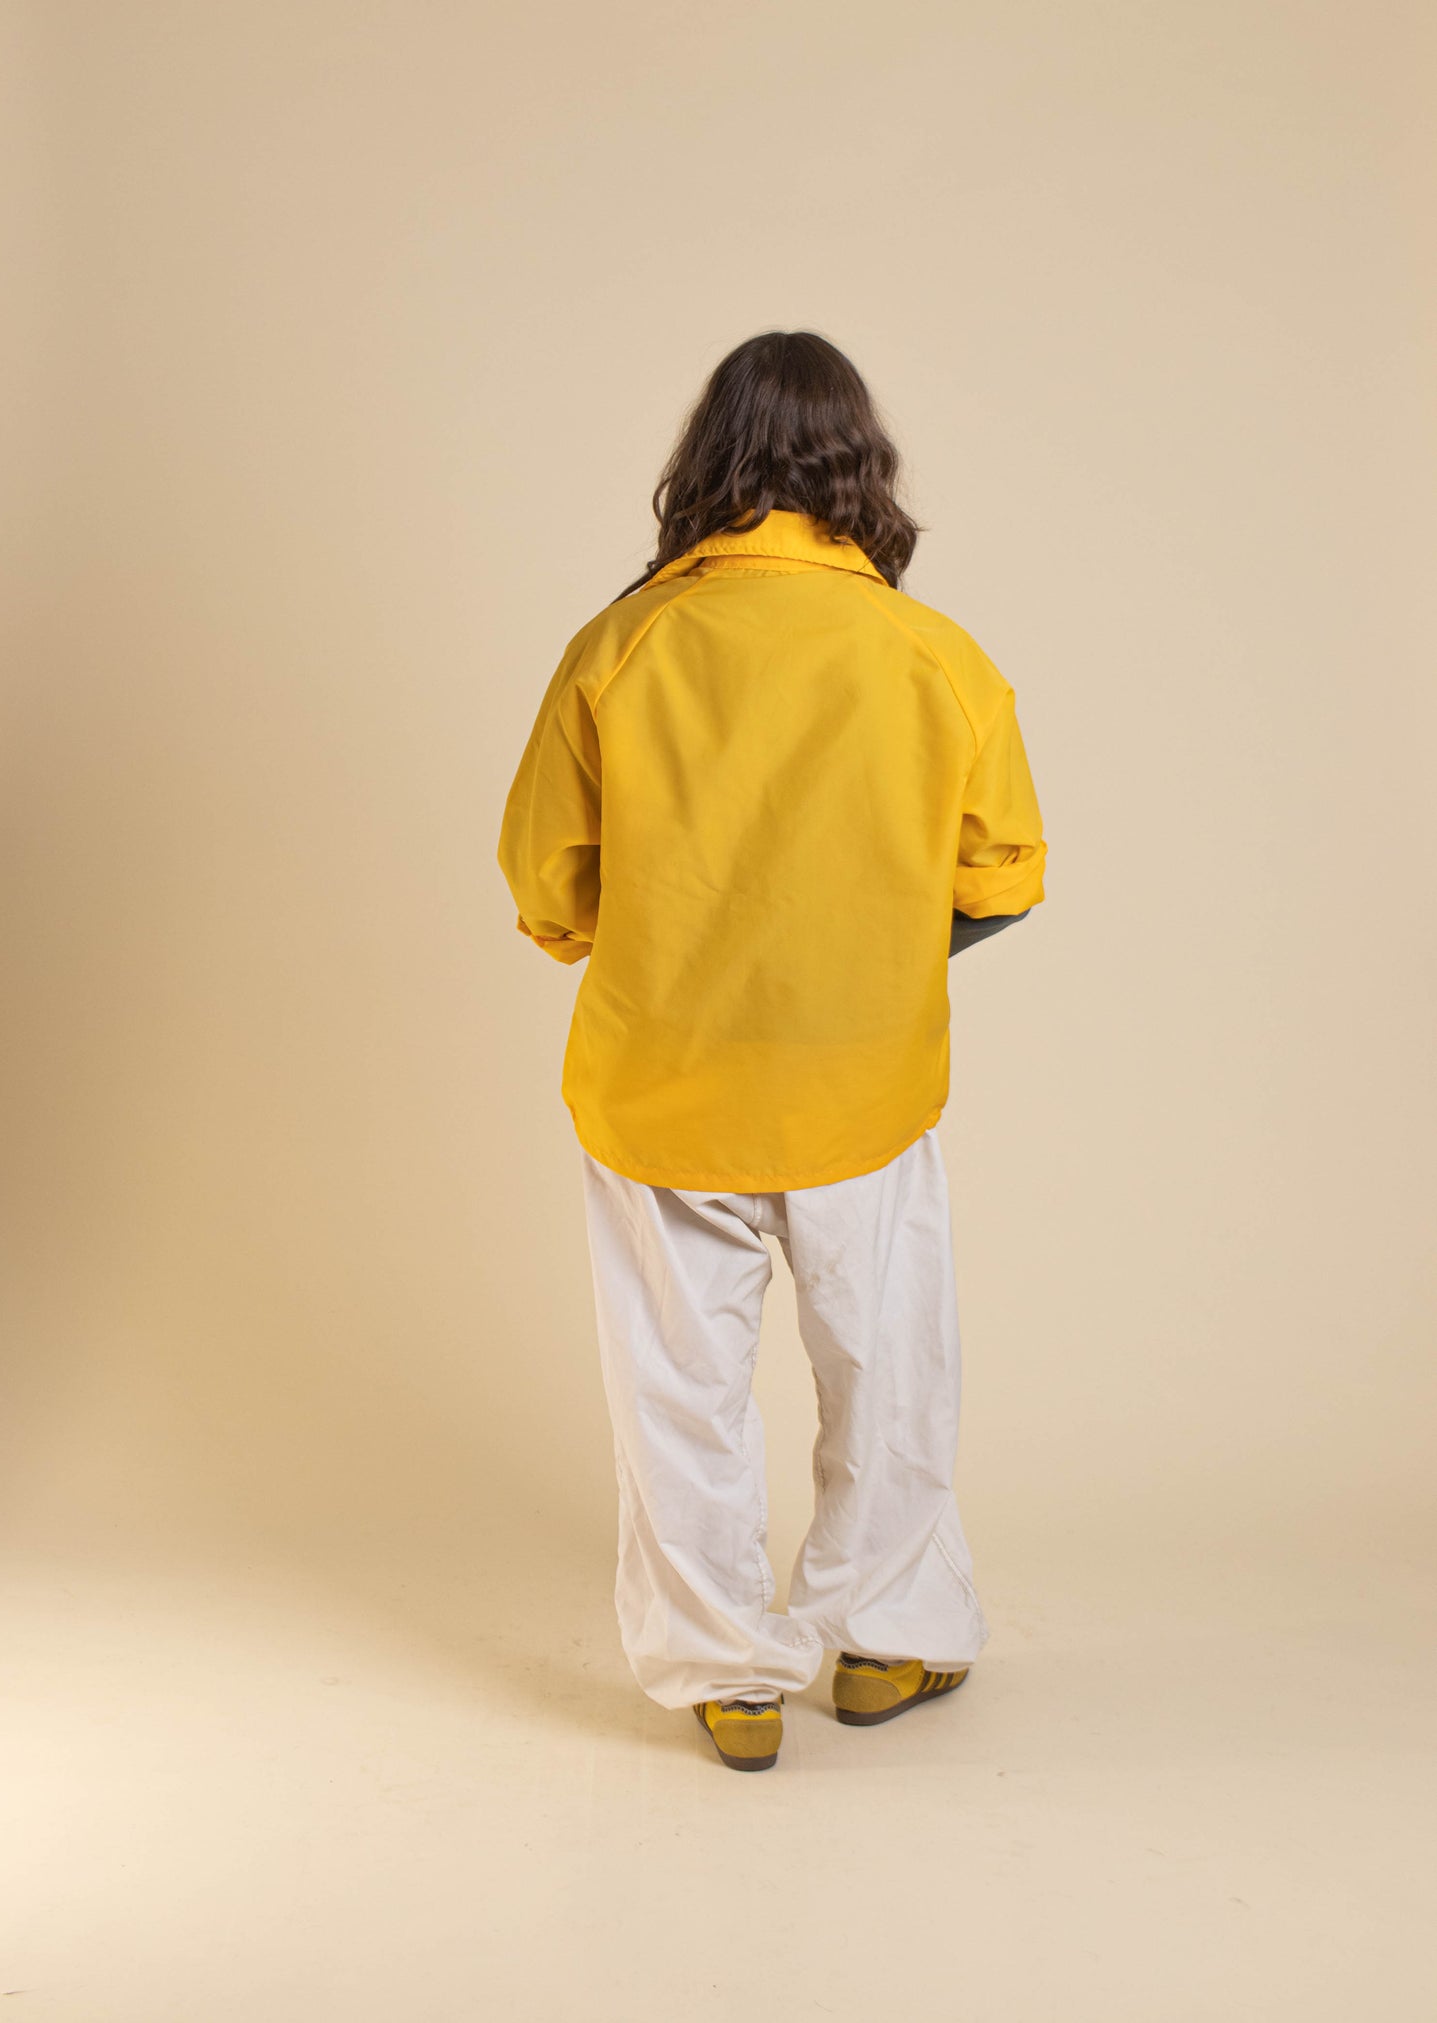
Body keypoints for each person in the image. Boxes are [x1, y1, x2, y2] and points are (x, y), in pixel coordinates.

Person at [497, 331, 1046, 1772]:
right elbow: (1002, 875)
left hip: (660, 1086)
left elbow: (548, 888)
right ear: (862, 469)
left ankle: (726, 1678)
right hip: (864, 1082)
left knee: (677, 1387)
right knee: (888, 1371)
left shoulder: (618, 645)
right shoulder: (935, 657)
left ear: (707, 460)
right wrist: (871, 955)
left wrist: (663, 949)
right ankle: (885, 1639)